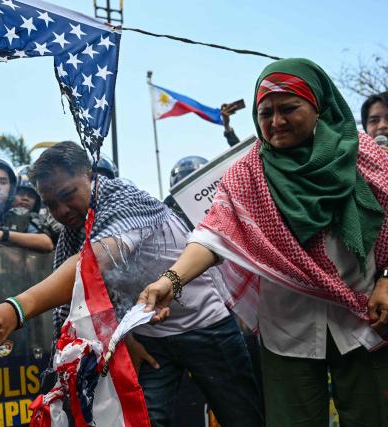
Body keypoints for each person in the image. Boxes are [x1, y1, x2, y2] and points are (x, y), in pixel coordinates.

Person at [139, 58, 388, 427]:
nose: (276, 122)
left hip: (366, 312)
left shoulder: (362, 154)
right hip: (289, 328)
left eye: (289, 108)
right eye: (265, 112)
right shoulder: (247, 172)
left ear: (317, 105)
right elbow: (213, 235)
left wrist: (386, 278)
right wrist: (169, 281)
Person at [0, 142, 263, 427]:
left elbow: (93, 265)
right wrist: (128, 336)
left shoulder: (124, 199)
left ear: (90, 176)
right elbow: (100, 293)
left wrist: (17, 309)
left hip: (206, 328)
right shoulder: (75, 230)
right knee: (141, 420)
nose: (60, 211)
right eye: (51, 203)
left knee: (241, 415)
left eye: (68, 196)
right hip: (149, 338)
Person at [6, 165, 63, 246]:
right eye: (21, 194)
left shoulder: (44, 220)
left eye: (31, 196)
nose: (25, 198)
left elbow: (48, 243)